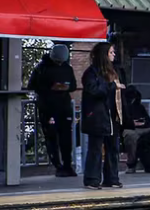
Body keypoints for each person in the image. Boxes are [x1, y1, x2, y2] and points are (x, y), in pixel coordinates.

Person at [27, 43, 78, 177]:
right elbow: (32, 85)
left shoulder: (68, 68)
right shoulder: (41, 68)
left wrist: (64, 87)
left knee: (66, 137)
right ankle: (58, 165)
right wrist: (50, 88)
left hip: (64, 106)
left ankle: (67, 165)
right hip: (48, 107)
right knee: (51, 137)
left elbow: (73, 85)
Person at [81, 42, 123, 190]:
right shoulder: (91, 73)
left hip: (112, 115)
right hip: (97, 115)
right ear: (103, 55)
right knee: (96, 148)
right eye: (111, 52)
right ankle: (92, 179)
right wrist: (111, 86)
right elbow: (94, 91)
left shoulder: (113, 71)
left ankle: (111, 178)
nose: (114, 55)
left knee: (113, 148)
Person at [119, 85, 150, 172]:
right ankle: (131, 164)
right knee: (131, 136)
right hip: (129, 129)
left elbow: (148, 122)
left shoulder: (139, 107)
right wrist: (132, 123)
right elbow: (121, 123)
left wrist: (142, 123)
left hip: (143, 128)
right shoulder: (122, 107)